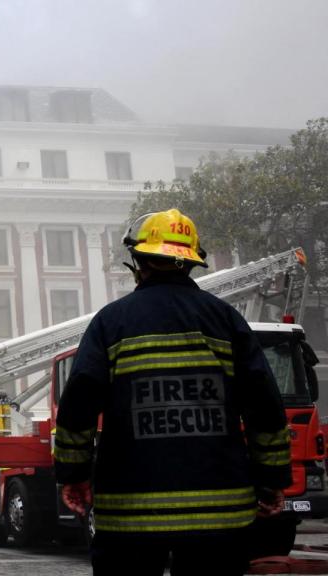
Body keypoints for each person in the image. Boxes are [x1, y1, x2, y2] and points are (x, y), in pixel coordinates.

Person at [55, 209, 291, 576]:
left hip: (130, 518)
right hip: (219, 518)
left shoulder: (111, 323)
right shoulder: (226, 321)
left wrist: (74, 473)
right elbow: (264, 405)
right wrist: (272, 480)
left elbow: (79, 402)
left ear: (138, 261)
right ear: (191, 263)